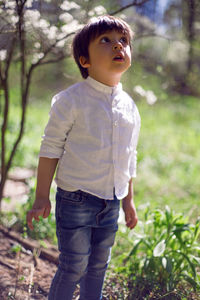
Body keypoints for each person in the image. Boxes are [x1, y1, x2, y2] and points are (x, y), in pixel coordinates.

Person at [27, 15, 141, 300]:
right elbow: (50, 147)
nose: (118, 46)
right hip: (76, 197)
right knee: (73, 265)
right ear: (84, 60)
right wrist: (42, 196)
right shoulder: (71, 100)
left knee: (98, 266)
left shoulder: (129, 107)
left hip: (112, 201)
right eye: (106, 40)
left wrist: (128, 200)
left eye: (123, 41)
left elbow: (129, 156)